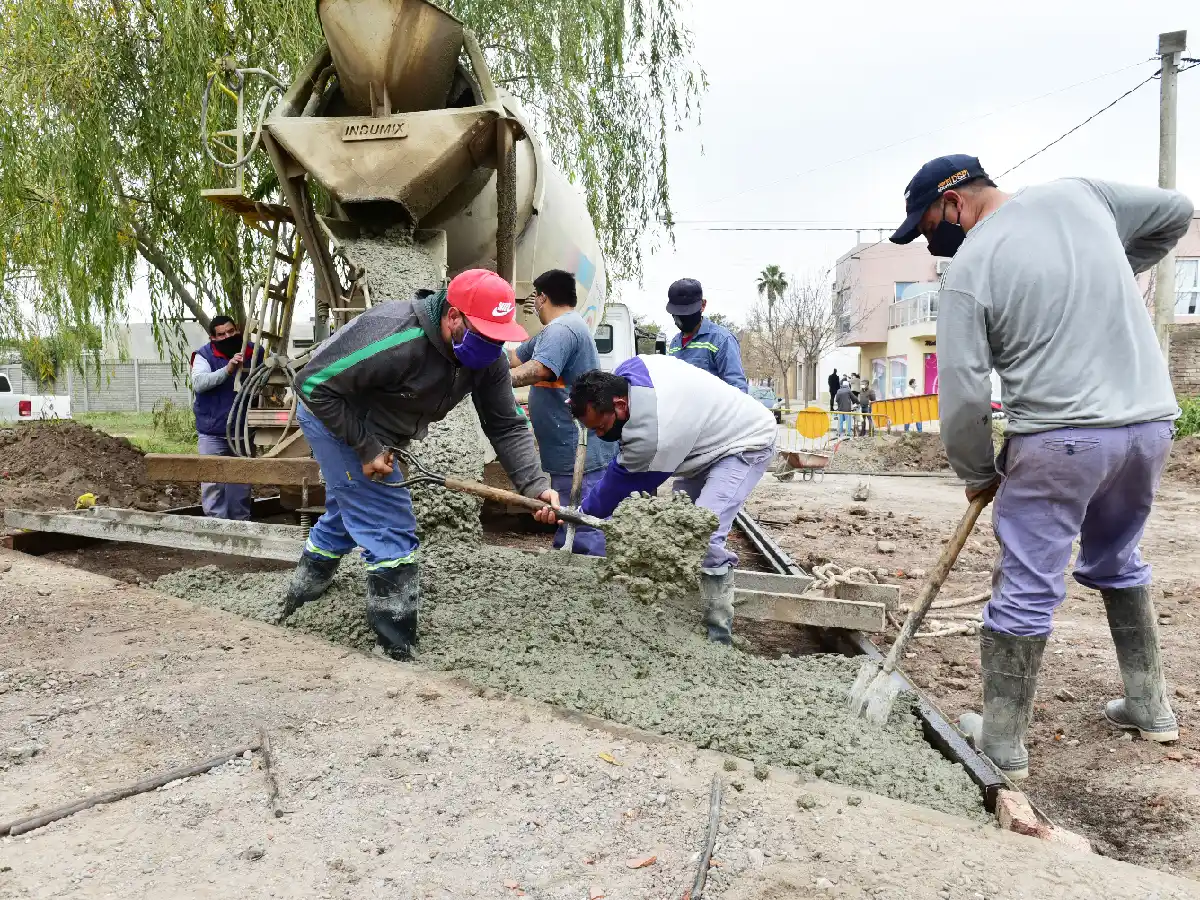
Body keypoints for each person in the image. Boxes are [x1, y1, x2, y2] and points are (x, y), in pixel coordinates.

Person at [890, 153, 1192, 779]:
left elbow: (966, 395)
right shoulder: (1082, 194)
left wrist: (977, 472)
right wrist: (1106, 276)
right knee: (1118, 557)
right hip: (1150, 426)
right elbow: (1178, 211)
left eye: (927, 229)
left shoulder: (971, 266)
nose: (935, 245)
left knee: (1027, 587)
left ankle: (1001, 744)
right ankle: (1150, 705)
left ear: (954, 205)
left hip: (1062, 440)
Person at [283, 269, 560, 660]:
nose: (491, 347)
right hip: (335, 416)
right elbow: (311, 385)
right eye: (482, 335)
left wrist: (535, 486)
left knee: (352, 511)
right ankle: (394, 647)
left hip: (383, 427)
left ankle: (301, 597)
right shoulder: (395, 334)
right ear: (452, 316)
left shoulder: (486, 358)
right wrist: (365, 447)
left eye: (497, 339)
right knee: (390, 524)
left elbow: (506, 424)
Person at [567, 354, 777, 644]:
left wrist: (577, 514)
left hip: (745, 441)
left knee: (701, 534)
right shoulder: (628, 372)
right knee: (682, 533)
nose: (600, 435)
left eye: (601, 427)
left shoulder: (654, 435)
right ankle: (683, 619)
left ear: (620, 405)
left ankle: (719, 638)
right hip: (700, 443)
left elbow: (615, 490)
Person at [508, 269, 616, 555]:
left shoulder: (562, 329)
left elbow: (539, 369)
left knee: (582, 525)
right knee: (569, 520)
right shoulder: (557, 330)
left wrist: (493, 382)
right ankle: (569, 568)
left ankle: (586, 585)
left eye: (535, 298)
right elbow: (516, 358)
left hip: (578, 450)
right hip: (566, 450)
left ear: (542, 297)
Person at [190, 316, 253, 520]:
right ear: (212, 337)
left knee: (241, 482)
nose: (227, 336)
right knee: (212, 482)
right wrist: (228, 370)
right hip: (212, 431)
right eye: (221, 334)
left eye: (231, 331)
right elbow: (199, 383)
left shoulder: (253, 351)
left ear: (237, 330)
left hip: (242, 432)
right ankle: (216, 528)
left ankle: (241, 527)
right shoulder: (204, 355)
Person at [665, 278, 748, 391]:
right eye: (678, 313)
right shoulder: (675, 343)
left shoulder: (721, 340)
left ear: (702, 305)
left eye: (687, 312)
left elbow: (738, 389)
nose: (681, 318)